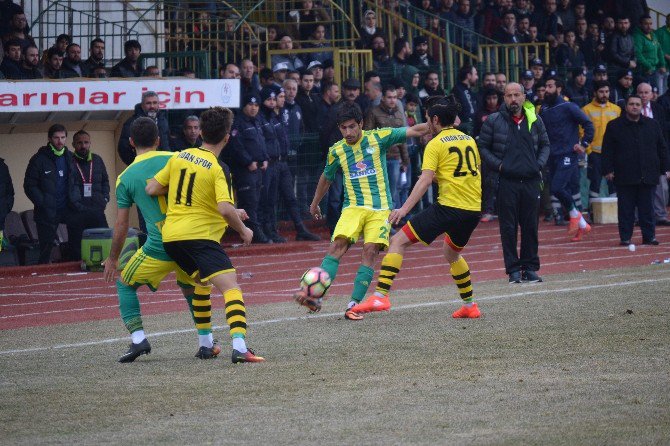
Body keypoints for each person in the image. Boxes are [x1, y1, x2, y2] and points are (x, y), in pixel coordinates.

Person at [146, 107, 265, 364]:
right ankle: (240, 347)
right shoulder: (218, 167)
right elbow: (224, 208)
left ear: (201, 131)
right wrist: (243, 230)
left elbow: (152, 187)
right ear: (227, 137)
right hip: (199, 237)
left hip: (172, 238)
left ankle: (206, 345)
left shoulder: (180, 156)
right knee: (231, 287)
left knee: (202, 282)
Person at [292, 102, 431, 318]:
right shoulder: (337, 150)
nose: (347, 132)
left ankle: (353, 305)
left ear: (361, 124)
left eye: (351, 127)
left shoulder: (378, 137)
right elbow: (326, 178)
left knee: (370, 251)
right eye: (343, 128)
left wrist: (441, 124)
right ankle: (314, 295)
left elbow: (414, 130)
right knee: (337, 246)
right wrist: (314, 203)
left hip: (380, 209)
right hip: (353, 208)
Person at [352, 97, 483, 318]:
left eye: (428, 120)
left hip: (449, 207)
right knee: (451, 253)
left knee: (397, 241)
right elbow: (474, 170)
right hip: (472, 210)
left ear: (434, 119)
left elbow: (424, 180)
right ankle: (470, 306)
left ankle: (380, 296)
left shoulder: (436, 143)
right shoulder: (468, 139)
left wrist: (403, 209)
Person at [102, 118, 219, 362]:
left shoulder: (126, 177)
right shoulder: (177, 159)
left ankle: (138, 340)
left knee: (125, 283)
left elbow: (122, 224)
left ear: (131, 142)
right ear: (158, 140)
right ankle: (206, 343)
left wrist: (113, 258)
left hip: (160, 246)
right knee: (193, 287)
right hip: (189, 240)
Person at [479, 83, 550, 283]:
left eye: (516, 95)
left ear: (524, 96)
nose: (513, 99)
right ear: (504, 98)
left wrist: (539, 165)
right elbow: (482, 147)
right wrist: (499, 166)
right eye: (509, 95)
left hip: (530, 181)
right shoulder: (494, 120)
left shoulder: (534, 119)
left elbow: (545, 144)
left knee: (530, 227)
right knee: (508, 228)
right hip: (505, 182)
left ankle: (530, 268)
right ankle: (513, 271)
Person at [602, 95, 670, 246]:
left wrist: (666, 168)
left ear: (642, 106)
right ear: (626, 106)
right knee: (626, 209)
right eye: (631, 104)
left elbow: (662, 148)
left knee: (648, 209)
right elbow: (607, 150)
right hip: (624, 174)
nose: (634, 107)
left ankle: (649, 237)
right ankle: (625, 237)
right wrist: (608, 170)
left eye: (637, 104)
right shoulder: (614, 126)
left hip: (648, 174)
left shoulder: (653, 125)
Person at [259, 86, 320, 242]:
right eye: (271, 99)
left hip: (283, 162)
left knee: (290, 198)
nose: (273, 102)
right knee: (270, 200)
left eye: (276, 99)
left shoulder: (274, 117)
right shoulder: (262, 118)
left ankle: (300, 229)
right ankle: (270, 231)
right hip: (270, 164)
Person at [540, 77, 595, 241]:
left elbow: (588, 124)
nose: (546, 90)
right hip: (552, 155)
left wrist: (583, 144)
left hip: (567, 154)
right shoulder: (544, 108)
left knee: (557, 187)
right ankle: (583, 225)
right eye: (545, 87)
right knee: (560, 188)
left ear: (559, 88)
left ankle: (574, 215)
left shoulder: (568, 106)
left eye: (550, 86)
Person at [23, 124, 74, 263]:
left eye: (63, 137)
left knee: (75, 245)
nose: (60, 141)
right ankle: (42, 280)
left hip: (68, 209)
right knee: (46, 250)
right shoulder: (38, 159)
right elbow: (29, 185)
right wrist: (44, 202)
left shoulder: (70, 157)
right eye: (56, 137)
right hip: (47, 212)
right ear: (49, 138)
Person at [225, 92, 270, 243]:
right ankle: (254, 234)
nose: (253, 108)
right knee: (249, 203)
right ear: (244, 106)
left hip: (258, 169)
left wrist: (264, 159)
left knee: (258, 201)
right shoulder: (238, 123)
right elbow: (236, 146)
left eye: (256, 105)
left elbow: (261, 143)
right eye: (250, 105)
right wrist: (248, 161)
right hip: (245, 170)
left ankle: (257, 231)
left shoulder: (256, 122)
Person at [364, 84, 409, 209]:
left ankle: (390, 222)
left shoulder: (399, 114)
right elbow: (367, 136)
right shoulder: (373, 112)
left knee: (392, 191)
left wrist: (405, 161)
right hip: (378, 158)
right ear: (383, 98)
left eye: (394, 97)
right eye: (389, 97)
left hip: (394, 158)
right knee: (379, 191)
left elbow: (403, 140)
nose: (392, 100)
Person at [67, 130, 109, 260]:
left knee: (103, 240)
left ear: (90, 143)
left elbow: (105, 181)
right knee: (77, 247)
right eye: (79, 143)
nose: (83, 146)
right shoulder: (69, 161)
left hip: (97, 209)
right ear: (73, 144)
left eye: (86, 142)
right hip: (77, 211)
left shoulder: (97, 160)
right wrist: (76, 205)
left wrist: (105, 198)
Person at [581, 81, 620, 214]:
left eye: (606, 92)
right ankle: (593, 213)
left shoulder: (616, 109)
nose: (604, 94)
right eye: (601, 92)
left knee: (614, 183)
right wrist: (589, 151)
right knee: (595, 183)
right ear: (595, 93)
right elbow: (582, 132)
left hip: (613, 154)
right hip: (595, 153)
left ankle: (615, 213)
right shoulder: (586, 110)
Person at [636, 82, 670, 226]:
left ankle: (660, 214)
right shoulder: (630, 109)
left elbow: (664, 135)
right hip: (636, 154)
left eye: (646, 92)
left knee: (661, 186)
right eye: (641, 92)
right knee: (636, 186)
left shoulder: (658, 109)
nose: (643, 95)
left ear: (652, 94)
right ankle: (638, 217)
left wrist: (666, 162)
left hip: (655, 153)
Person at [118, 91, 171, 165]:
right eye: (148, 103)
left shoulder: (163, 120)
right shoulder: (132, 123)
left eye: (155, 103)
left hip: (164, 165)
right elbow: (123, 148)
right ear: (142, 105)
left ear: (159, 104)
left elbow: (169, 142)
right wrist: (136, 164)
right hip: (143, 166)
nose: (152, 106)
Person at [633, 15, 666, 90]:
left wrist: (662, 65)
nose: (649, 26)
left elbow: (659, 50)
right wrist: (648, 66)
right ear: (640, 24)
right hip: (643, 71)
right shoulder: (637, 36)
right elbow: (638, 55)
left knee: (655, 93)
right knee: (644, 93)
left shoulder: (653, 34)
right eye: (646, 24)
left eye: (651, 24)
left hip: (654, 70)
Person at [451, 64, 478, 135]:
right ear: (468, 75)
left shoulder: (469, 90)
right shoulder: (457, 90)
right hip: (463, 130)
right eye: (475, 74)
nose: (477, 77)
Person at [0, 157, 13, 252]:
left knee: (0, 250)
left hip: (0, 219)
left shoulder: (2, 167)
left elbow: (10, 191)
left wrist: (6, 207)